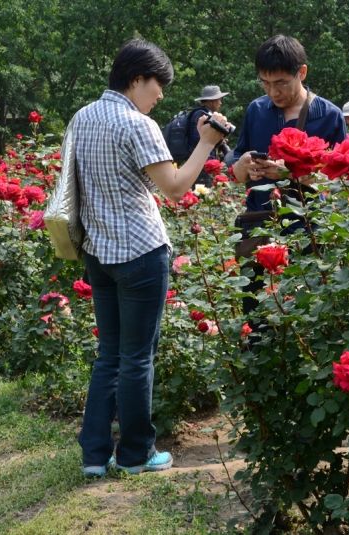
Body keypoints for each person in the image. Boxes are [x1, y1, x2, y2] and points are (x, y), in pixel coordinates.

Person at [72, 38, 229, 477]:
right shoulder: (137, 124)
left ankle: (95, 456)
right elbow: (176, 188)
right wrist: (207, 143)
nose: (160, 94)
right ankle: (137, 454)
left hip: (98, 252)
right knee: (138, 356)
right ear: (138, 78)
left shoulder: (82, 117)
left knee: (109, 355)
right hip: (140, 253)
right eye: (157, 84)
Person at [231, 35, 346, 313]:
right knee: (256, 314)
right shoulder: (257, 110)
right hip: (260, 227)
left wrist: (292, 173)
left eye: (281, 82)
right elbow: (235, 167)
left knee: (310, 313)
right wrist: (243, 166)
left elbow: (342, 179)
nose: (273, 92)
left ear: (302, 72)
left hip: (310, 231)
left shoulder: (329, 115)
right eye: (265, 83)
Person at [187, 85, 230, 184]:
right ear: (211, 101)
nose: (220, 102)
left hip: (201, 163)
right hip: (202, 164)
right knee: (204, 194)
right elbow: (200, 141)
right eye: (219, 100)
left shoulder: (200, 113)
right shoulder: (202, 116)